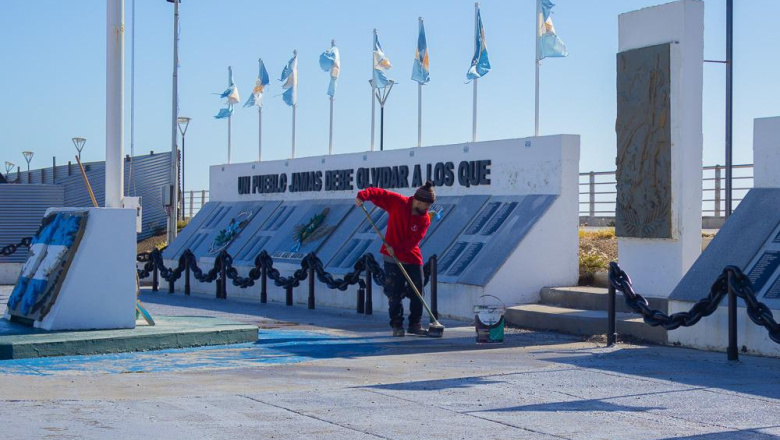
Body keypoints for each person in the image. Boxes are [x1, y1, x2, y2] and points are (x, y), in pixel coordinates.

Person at [355, 181, 436, 337]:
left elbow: (415, 240)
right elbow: (378, 193)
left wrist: (398, 248)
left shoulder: (424, 219)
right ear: (418, 201)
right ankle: (397, 325)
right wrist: (362, 196)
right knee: (394, 293)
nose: (428, 209)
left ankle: (415, 324)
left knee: (418, 292)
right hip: (391, 258)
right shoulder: (398, 202)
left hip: (411, 257)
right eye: (426, 205)